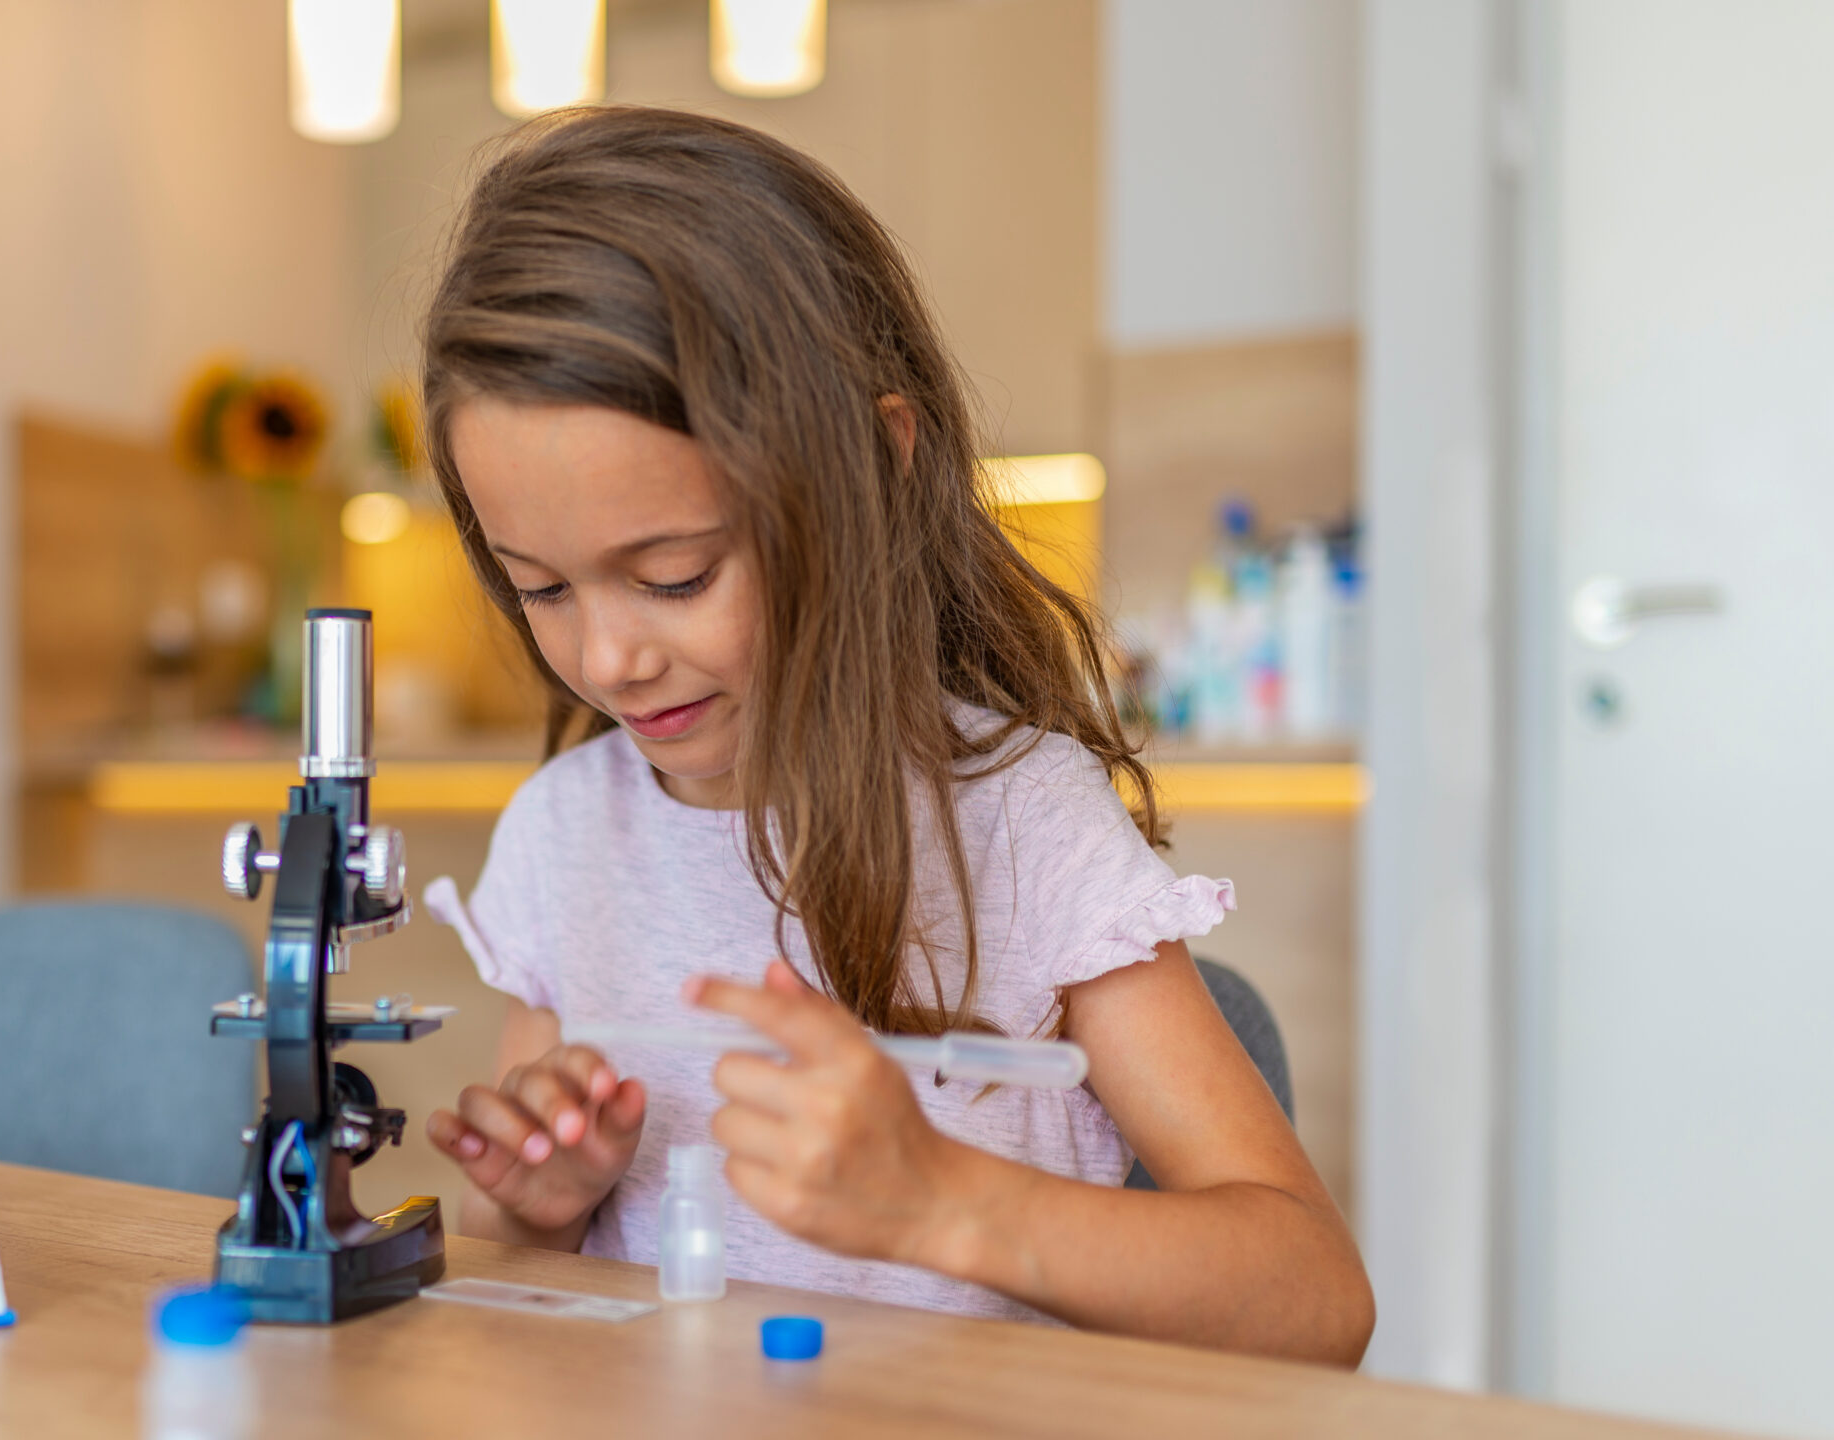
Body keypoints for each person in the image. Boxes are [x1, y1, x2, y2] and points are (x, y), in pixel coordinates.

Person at [416, 106, 1373, 1365]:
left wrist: (940, 1198)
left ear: (871, 469)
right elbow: (513, 1281)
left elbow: (1316, 1300)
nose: (606, 659)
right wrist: (533, 1206)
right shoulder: (563, 830)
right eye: (540, 587)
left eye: (675, 574)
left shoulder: (1022, 820)